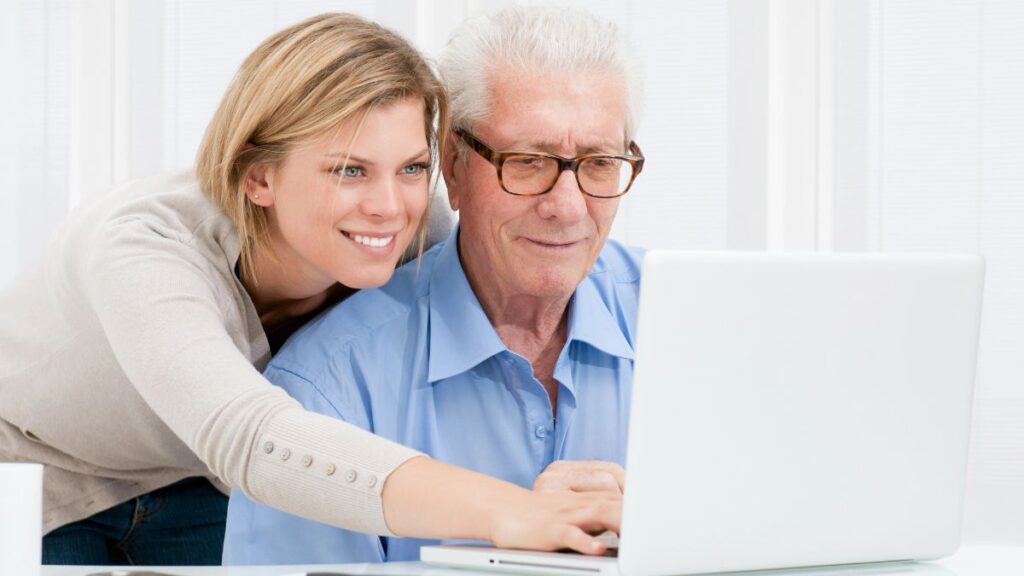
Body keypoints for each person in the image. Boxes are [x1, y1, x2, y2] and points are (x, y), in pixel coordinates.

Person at [0, 13, 621, 567]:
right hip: (50, 477)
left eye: (410, 167)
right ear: (259, 175)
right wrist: (511, 510)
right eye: (348, 170)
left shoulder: (413, 226)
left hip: (204, 481)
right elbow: (250, 434)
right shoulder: (143, 250)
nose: (387, 207)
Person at [224, 5, 645, 565]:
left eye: (599, 163)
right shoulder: (325, 387)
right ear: (453, 163)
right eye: (525, 162)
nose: (567, 208)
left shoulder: (696, 323)